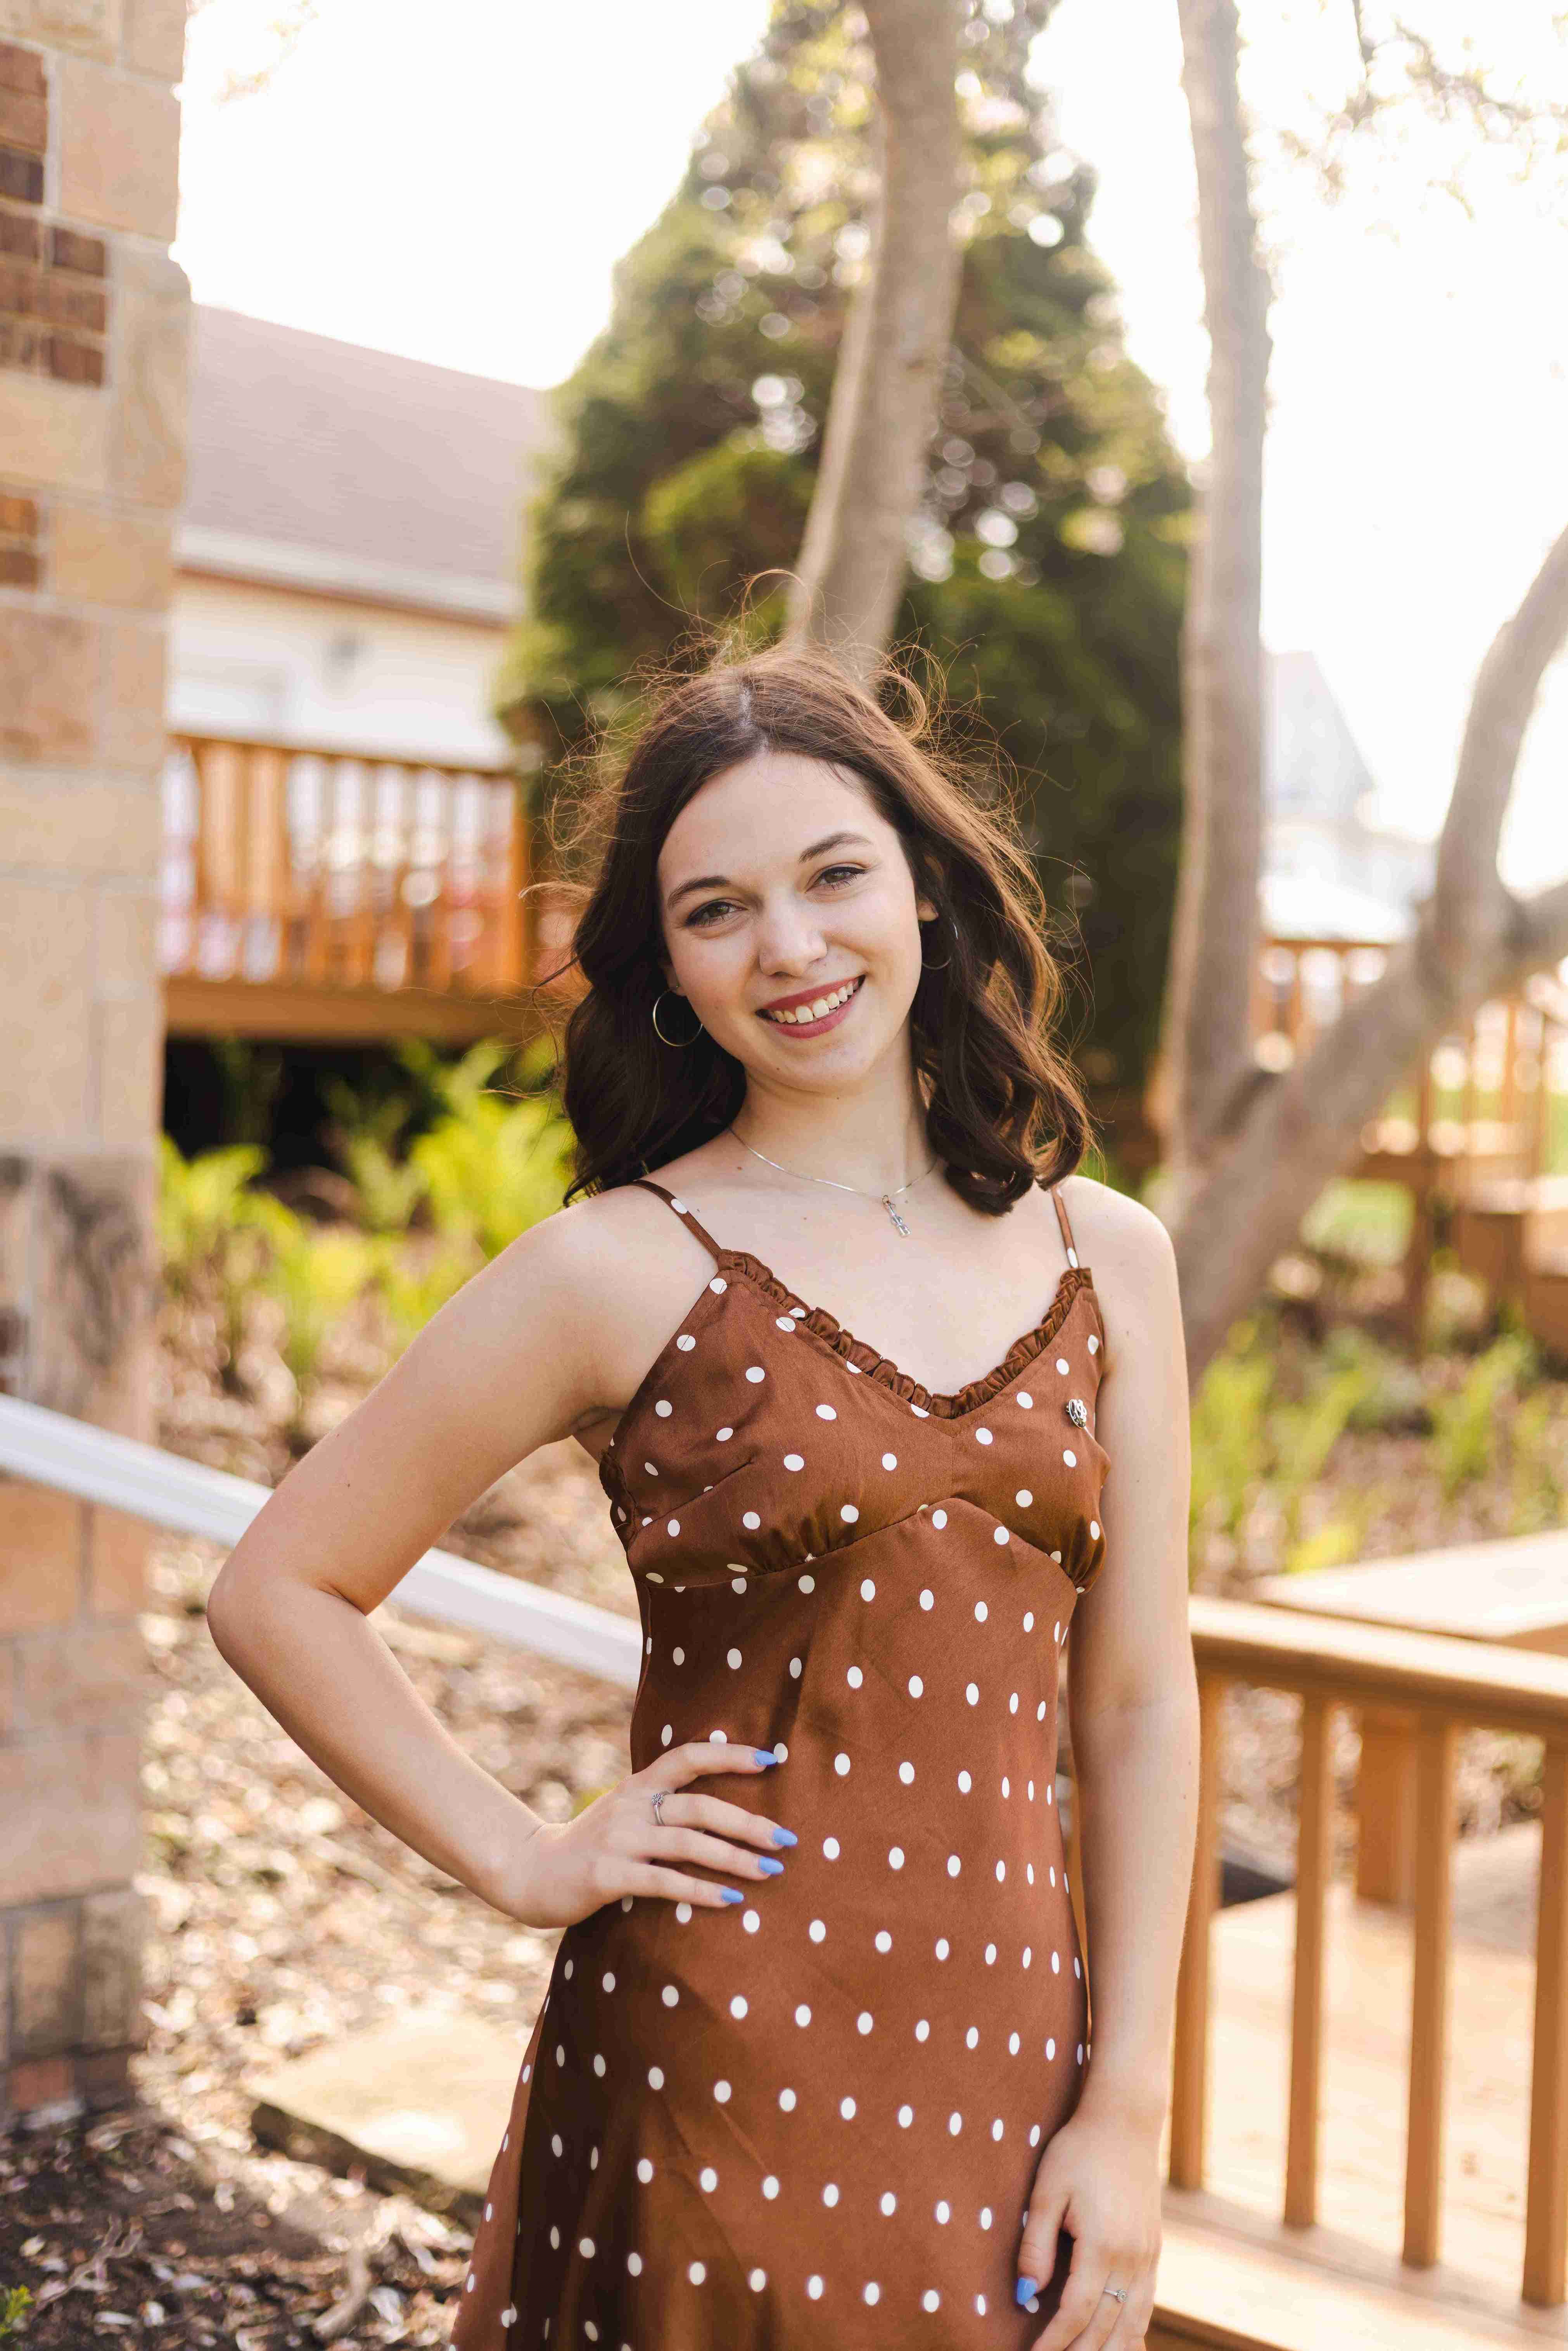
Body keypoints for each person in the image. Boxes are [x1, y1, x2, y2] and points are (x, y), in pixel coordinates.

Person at [207, 644, 1198, 2350]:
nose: (793, 948)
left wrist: (1133, 2105)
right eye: (719, 908)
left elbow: (1135, 1700)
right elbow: (280, 1586)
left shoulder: (1106, 1255)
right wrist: (523, 1856)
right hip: (717, 2052)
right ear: (666, 966)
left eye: (833, 877)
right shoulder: (618, 1266)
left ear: (926, 890)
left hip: (1016, 2055)